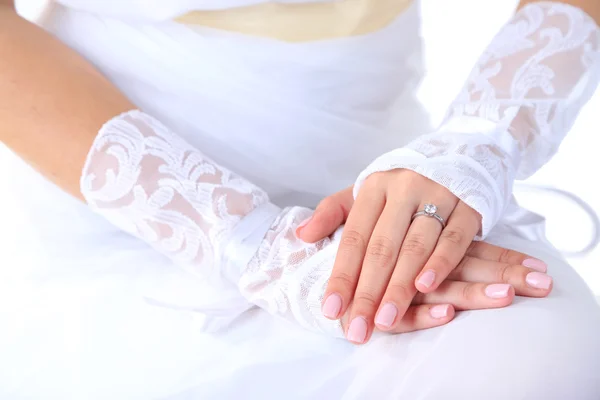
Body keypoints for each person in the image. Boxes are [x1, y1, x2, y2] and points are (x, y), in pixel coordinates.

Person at [1, 0, 599, 398]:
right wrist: (249, 243)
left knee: (537, 358)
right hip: (125, 194)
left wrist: (480, 140)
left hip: (389, 180)